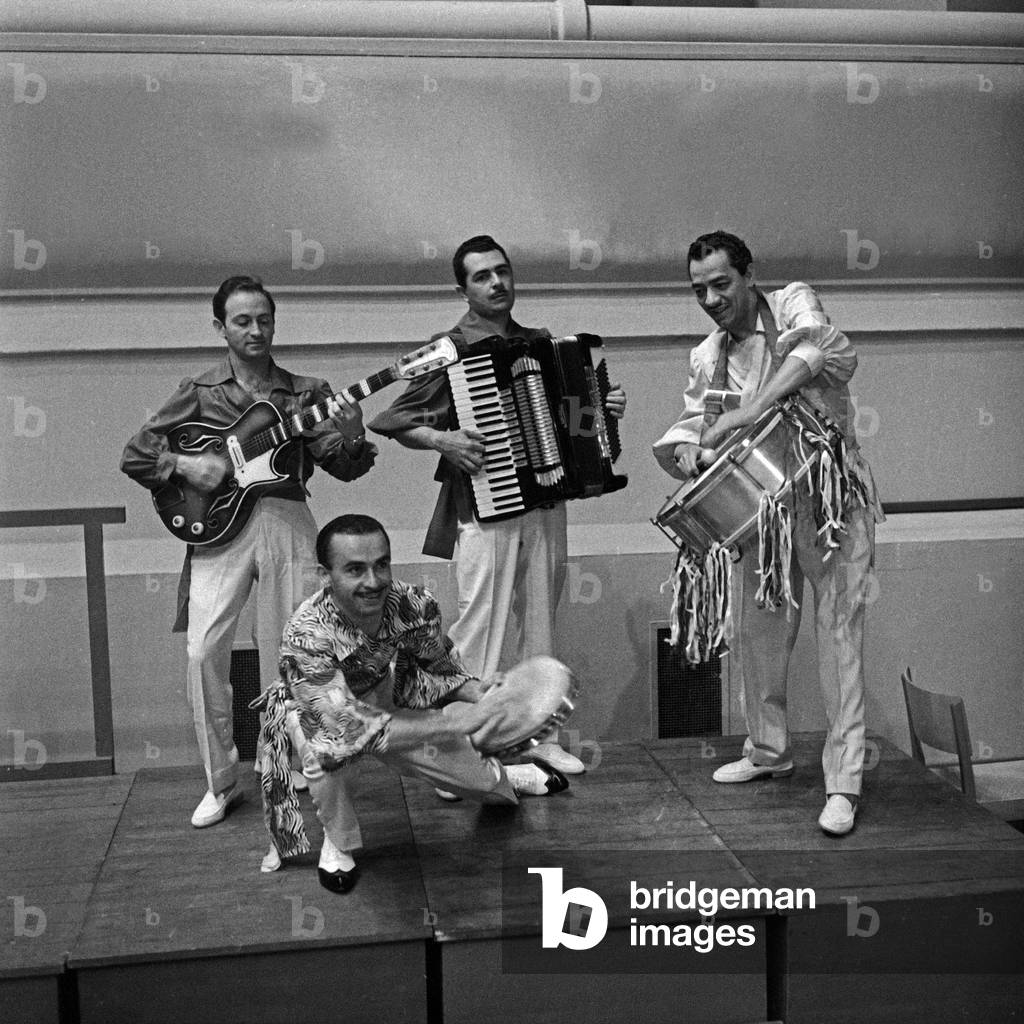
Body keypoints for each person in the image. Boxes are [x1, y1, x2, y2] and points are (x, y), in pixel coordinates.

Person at [121, 275, 376, 828]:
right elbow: (137, 454)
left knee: (295, 650)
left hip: (287, 515)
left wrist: (353, 437)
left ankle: (303, 763)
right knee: (201, 653)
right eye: (242, 320)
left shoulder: (306, 392)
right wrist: (188, 465)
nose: (256, 329)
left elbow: (344, 465)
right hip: (218, 529)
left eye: (264, 319)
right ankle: (221, 780)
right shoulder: (198, 390)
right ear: (221, 328)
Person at [367, 235, 626, 777]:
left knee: (541, 628)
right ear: (462, 288)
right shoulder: (449, 348)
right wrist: (443, 441)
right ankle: (461, 751)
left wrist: (602, 409)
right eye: (482, 276)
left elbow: (572, 424)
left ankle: (536, 738)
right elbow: (388, 418)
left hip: (547, 504)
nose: (496, 283)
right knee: (479, 628)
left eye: (502, 272)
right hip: (484, 505)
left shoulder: (541, 342)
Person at [652, 231, 884, 836]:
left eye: (720, 283)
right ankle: (768, 752)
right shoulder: (709, 356)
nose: (710, 298)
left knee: (840, 639)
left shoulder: (792, 305)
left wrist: (750, 411)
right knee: (756, 632)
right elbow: (688, 428)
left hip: (830, 502)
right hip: (762, 513)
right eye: (699, 288)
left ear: (749, 275)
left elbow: (820, 354)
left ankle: (843, 785)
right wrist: (687, 455)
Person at [255, 514, 570, 894]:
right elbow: (347, 729)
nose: (373, 582)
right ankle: (339, 840)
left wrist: (482, 692)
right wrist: (461, 724)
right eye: (355, 569)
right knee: (324, 757)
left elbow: (438, 666)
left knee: (471, 774)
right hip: (318, 714)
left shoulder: (412, 604)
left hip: (382, 693)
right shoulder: (305, 635)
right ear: (325, 575)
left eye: (381, 565)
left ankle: (507, 780)